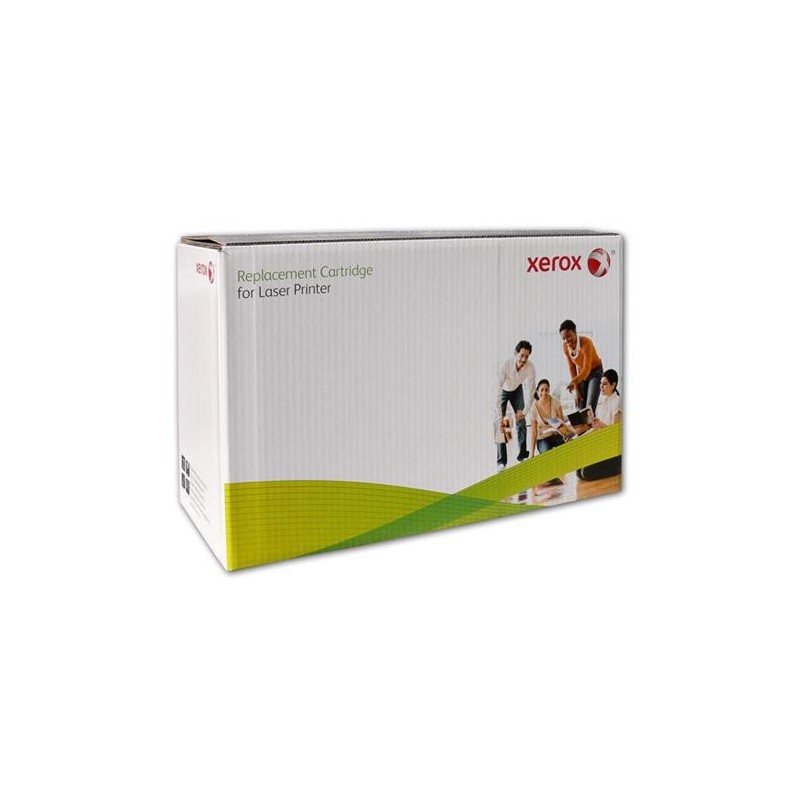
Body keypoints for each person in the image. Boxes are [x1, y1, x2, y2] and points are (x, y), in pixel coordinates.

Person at [495, 340, 535, 468]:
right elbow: (497, 390)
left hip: (517, 390)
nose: (523, 359)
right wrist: (500, 415)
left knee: (521, 421)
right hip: (504, 391)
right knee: (499, 423)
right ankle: (501, 461)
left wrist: (524, 412)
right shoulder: (505, 365)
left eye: (526, 356)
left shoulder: (530, 367)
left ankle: (522, 455)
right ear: (515, 353)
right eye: (521, 355)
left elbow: (531, 391)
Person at [577, 368, 622, 480]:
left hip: (612, 448)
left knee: (586, 473)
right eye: (601, 384)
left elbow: (615, 434)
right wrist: (579, 439)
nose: (601, 387)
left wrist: (601, 424)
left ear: (613, 385)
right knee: (578, 472)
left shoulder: (617, 402)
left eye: (604, 384)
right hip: (601, 443)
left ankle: (618, 466)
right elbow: (596, 428)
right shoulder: (602, 400)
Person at [559, 319, 604, 414]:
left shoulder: (586, 343)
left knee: (589, 409)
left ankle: (591, 422)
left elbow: (587, 369)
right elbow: (572, 367)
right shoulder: (565, 347)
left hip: (595, 372)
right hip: (581, 375)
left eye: (568, 337)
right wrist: (576, 389)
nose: (566, 341)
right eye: (563, 338)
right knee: (580, 406)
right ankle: (581, 424)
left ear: (574, 332)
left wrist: (574, 381)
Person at [531, 379, 566, 455]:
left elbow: (562, 423)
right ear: (537, 391)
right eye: (542, 390)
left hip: (555, 436)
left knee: (566, 449)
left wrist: (565, 436)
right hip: (542, 439)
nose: (544, 393)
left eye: (546, 390)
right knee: (547, 454)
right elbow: (534, 433)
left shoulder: (555, 402)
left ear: (549, 391)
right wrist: (532, 453)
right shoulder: (534, 408)